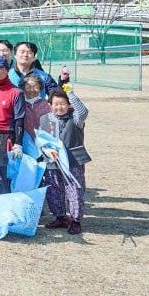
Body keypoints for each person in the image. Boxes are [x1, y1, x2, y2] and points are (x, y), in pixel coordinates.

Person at [39, 87, 90, 234]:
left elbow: (83, 111)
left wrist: (70, 93)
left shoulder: (76, 118)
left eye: (62, 103)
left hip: (73, 161)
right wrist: (47, 151)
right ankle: (60, 217)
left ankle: (75, 220)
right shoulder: (45, 119)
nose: (59, 107)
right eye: (55, 104)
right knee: (54, 190)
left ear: (68, 105)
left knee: (75, 190)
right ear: (50, 105)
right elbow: (42, 140)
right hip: (52, 162)